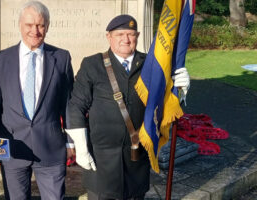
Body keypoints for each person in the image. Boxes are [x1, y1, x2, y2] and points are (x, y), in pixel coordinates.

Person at [65, 15, 190, 200]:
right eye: (120, 34)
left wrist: (180, 91)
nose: (126, 39)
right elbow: (75, 105)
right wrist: (80, 147)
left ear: (137, 36)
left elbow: (163, 102)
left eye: (131, 34)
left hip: (136, 158)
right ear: (109, 37)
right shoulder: (92, 64)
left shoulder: (151, 64)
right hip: (102, 159)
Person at [0, 1, 74, 199]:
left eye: (40, 25)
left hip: (51, 149)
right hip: (12, 149)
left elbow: (68, 104)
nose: (35, 31)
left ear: (47, 26)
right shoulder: (1, 59)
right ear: (20, 25)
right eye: (29, 25)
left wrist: (70, 142)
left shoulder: (61, 58)